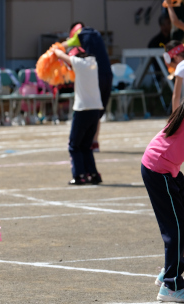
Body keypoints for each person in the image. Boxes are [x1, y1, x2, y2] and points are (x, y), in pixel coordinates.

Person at [141, 102, 184, 302]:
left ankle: (169, 271)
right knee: (175, 228)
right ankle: (171, 285)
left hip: (167, 169)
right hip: (158, 170)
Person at [54, 47, 103, 185]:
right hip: (95, 110)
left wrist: (56, 48)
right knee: (86, 145)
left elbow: (59, 54)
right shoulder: (93, 62)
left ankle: (79, 175)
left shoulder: (79, 63)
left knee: (74, 145)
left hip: (82, 110)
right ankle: (93, 174)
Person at [63, 22, 113, 152]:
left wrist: (55, 50)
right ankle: (94, 142)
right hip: (108, 74)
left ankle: (86, 140)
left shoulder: (79, 35)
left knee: (87, 107)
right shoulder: (95, 34)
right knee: (98, 108)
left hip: (95, 75)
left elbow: (64, 47)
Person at [163, 40, 184, 112]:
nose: (174, 69)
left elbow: (176, 96)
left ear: (175, 58)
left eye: (173, 66)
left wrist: (174, 119)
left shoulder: (181, 66)